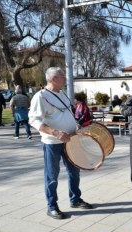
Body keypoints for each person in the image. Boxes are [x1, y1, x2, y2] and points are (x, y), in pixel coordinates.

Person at [29, 67, 93, 220]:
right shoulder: (41, 97)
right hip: (52, 143)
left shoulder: (62, 93)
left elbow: (68, 113)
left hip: (70, 139)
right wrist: (56, 133)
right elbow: (33, 120)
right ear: (53, 79)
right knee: (52, 176)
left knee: (74, 171)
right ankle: (52, 207)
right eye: (62, 76)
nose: (65, 78)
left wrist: (76, 125)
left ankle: (75, 199)